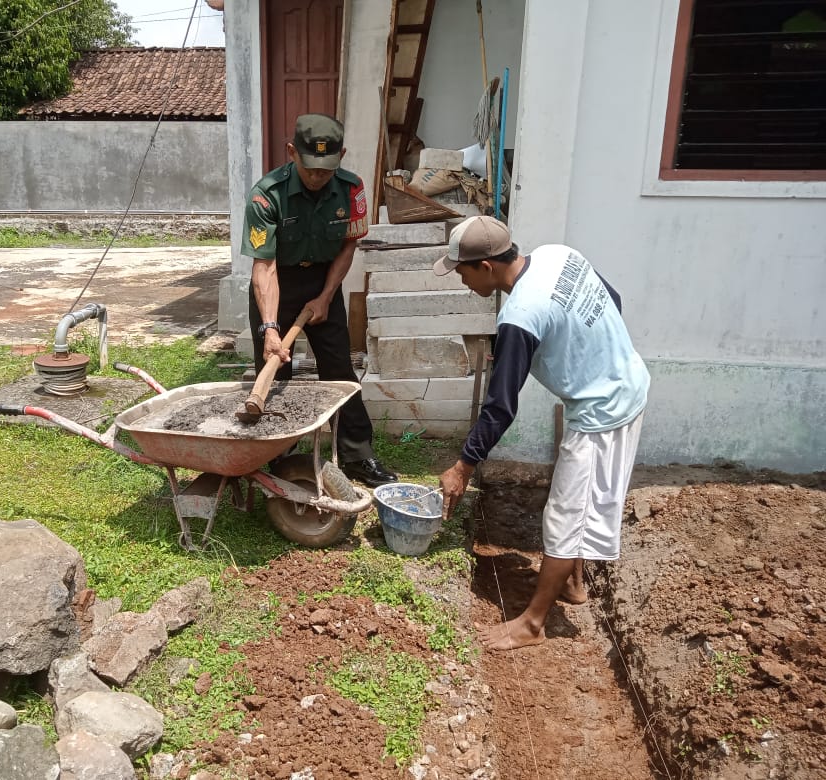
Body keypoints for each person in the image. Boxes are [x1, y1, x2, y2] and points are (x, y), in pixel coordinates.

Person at [434, 216, 649, 651]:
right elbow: (613, 299)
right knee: (577, 499)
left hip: (605, 413)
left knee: (565, 516)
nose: (461, 280)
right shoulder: (559, 255)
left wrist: (463, 466)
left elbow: (500, 407)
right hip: (623, 383)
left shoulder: (520, 315)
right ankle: (573, 582)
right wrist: (590, 355)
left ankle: (533, 623)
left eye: (462, 271)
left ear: (488, 267)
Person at [241, 113, 397, 488]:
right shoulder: (266, 196)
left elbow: (348, 245)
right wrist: (270, 328)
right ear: (292, 152)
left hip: (325, 280)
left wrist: (327, 296)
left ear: (341, 155)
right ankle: (276, 457)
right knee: (278, 372)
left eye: (326, 170)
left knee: (339, 370)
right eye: (310, 169)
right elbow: (264, 268)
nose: (317, 178)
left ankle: (358, 455)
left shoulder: (352, 188)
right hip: (278, 281)